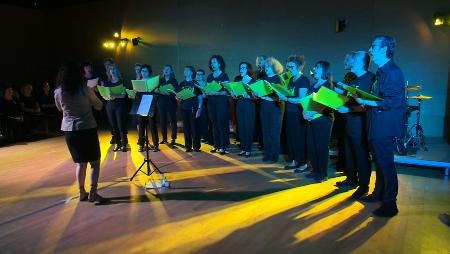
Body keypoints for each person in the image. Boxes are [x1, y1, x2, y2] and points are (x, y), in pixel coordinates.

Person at [355, 35, 406, 217]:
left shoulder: (393, 71)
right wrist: (364, 99)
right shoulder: (381, 71)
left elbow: (392, 101)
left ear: (384, 49)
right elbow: (379, 97)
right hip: (377, 123)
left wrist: (368, 102)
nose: (370, 50)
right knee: (378, 161)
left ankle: (390, 204)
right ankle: (378, 194)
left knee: (386, 164)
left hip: (385, 125)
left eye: (373, 46)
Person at [54, 62, 108, 203]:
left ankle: (81, 192)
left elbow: (60, 109)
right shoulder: (85, 89)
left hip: (70, 130)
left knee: (80, 163)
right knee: (95, 162)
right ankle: (93, 192)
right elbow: (99, 105)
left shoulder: (58, 92)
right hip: (87, 127)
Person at [336, 51, 375, 199]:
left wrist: (348, 108)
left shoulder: (371, 79)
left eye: (355, 59)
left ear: (363, 62)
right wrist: (335, 98)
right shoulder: (353, 80)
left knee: (361, 154)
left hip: (361, 124)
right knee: (349, 152)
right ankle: (351, 179)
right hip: (349, 123)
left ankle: (364, 186)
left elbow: (368, 105)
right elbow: (347, 100)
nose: (351, 60)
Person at [278, 55, 310, 172]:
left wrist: (286, 98)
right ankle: (293, 161)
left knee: (298, 139)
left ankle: (302, 164)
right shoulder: (291, 79)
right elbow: (288, 94)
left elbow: (301, 99)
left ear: (299, 67)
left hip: (298, 114)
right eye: (287, 66)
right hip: (289, 113)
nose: (288, 69)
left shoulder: (303, 80)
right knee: (290, 138)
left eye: (291, 66)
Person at [303, 61, 334, 182]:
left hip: (323, 120)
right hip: (311, 119)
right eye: (314, 66)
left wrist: (312, 113)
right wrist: (304, 113)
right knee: (311, 145)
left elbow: (325, 104)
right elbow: (307, 101)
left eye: (317, 67)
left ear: (325, 70)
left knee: (321, 147)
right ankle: (315, 170)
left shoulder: (328, 85)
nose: (314, 68)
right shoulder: (313, 85)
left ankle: (323, 173)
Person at [259, 57, 284, 163]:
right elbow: (258, 94)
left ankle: (274, 156)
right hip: (264, 108)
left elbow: (279, 97)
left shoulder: (278, 79)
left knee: (274, 133)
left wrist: (266, 97)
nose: (267, 68)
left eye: (269, 66)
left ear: (274, 67)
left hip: (275, 109)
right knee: (265, 132)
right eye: (265, 66)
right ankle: (267, 154)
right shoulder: (263, 79)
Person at [205, 55, 230, 155]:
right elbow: (207, 90)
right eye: (211, 63)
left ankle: (223, 146)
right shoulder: (209, 77)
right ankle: (216, 145)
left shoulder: (224, 76)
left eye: (215, 62)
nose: (213, 64)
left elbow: (227, 92)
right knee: (214, 125)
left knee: (221, 124)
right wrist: (206, 92)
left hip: (221, 103)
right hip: (211, 103)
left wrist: (216, 93)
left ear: (219, 63)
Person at [176, 66, 203, 152]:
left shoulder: (195, 83)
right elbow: (178, 96)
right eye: (184, 70)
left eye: (187, 70)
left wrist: (199, 108)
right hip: (184, 108)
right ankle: (188, 146)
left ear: (192, 72)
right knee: (186, 128)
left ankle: (196, 146)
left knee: (194, 128)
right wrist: (177, 97)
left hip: (193, 108)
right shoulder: (181, 84)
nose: (185, 71)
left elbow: (200, 97)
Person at [103, 65, 128, 152]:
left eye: (114, 69)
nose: (112, 71)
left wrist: (115, 95)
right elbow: (104, 95)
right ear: (109, 72)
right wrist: (107, 97)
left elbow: (123, 95)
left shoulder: (122, 81)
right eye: (110, 70)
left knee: (121, 125)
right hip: (110, 106)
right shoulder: (107, 83)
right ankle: (118, 144)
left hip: (120, 105)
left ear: (117, 71)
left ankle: (124, 144)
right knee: (114, 126)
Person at [233, 62, 256, 157]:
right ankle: (243, 148)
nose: (241, 69)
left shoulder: (253, 81)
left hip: (249, 105)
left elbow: (256, 97)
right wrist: (233, 93)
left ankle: (248, 149)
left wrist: (249, 95)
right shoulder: (238, 80)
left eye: (243, 68)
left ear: (248, 69)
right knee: (241, 127)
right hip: (240, 104)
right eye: (240, 68)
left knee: (248, 127)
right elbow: (234, 96)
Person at [137, 64, 160, 152]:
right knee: (141, 126)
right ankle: (141, 144)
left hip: (151, 105)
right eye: (142, 71)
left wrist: (156, 90)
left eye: (145, 71)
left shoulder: (153, 81)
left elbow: (156, 93)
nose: (143, 73)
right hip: (141, 105)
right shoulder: (138, 81)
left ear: (149, 72)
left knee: (152, 125)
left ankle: (155, 144)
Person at [156, 64, 178, 146]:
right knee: (162, 121)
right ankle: (164, 138)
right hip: (161, 103)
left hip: (171, 103)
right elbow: (156, 89)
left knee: (172, 120)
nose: (166, 70)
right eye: (165, 69)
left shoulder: (174, 80)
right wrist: (161, 92)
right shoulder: (160, 80)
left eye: (168, 69)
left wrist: (168, 93)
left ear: (171, 71)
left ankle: (173, 138)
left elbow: (176, 92)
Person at [195, 69, 213, 144]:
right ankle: (199, 137)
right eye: (197, 74)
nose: (198, 76)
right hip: (195, 104)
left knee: (204, 122)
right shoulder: (193, 83)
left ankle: (206, 138)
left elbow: (208, 95)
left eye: (200, 74)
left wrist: (204, 95)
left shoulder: (206, 84)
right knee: (196, 122)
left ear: (203, 75)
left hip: (204, 105)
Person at [254, 55, 267, 150]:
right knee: (259, 121)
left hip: (267, 99)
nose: (259, 61)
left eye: (261, 59)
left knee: (264, 122)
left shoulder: (267, 72)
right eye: (258, 60)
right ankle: (260, 141)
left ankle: (264, 143)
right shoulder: (257, 72)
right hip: (258, 100)